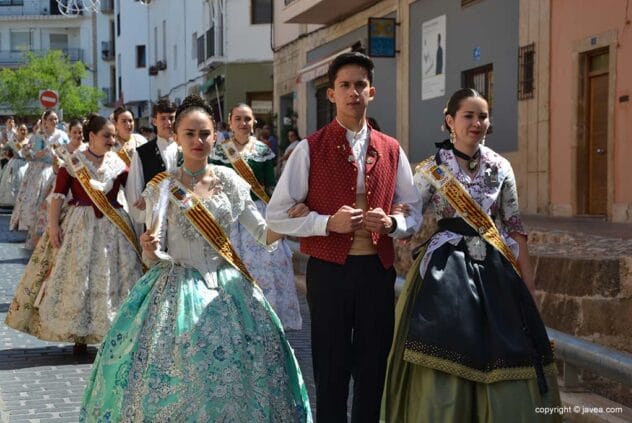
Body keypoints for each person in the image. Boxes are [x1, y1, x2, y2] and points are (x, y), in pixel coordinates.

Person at [80, 95, 312, 421]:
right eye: (189, 133)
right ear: (176, 136)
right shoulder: (163, 186)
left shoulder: (230, 181)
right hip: (175, 288)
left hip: (229, 288)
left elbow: (263, 234)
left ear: (215, 136)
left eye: (204, 134)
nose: (198, 141)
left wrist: (292, 219)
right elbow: (152, 255)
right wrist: (149, 246)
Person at [382, 88, 561, 422]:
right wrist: (394, 221)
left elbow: (514, 227)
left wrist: (529, 286)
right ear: (450, 120)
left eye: (483, 116)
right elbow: (410, 215)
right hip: (446, 269)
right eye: (469, 116)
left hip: (496, 266)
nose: (477, 123)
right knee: (446, 340)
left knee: (506, 345)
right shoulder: (431, 169)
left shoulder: (501, 166)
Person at [267, 51, 422, 422]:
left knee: (373, 367)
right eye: (345, 85)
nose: (353, 92)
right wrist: (325, 223)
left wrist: (392, 224)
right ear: (331, 94)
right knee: (331, 368)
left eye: (360, 85)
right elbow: (276, 216)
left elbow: (413, 209)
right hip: (329, 273)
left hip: (376, 272)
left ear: (372, 91)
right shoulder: (309, 148)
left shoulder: (392, 149)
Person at [5, 114, 143, 355]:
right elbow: (58, 196)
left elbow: (133, 192)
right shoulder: (73, 162)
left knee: (114, 276)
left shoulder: (118, 162)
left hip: (114, 227)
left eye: (113, 136)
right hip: (80, 226)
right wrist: (53, 227)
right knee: (79, 277)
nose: (112, 140)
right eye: (107, 136)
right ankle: (80, 335)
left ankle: (113, 330)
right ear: (92, 136)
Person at [211, 104, 303, 331]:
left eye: (247, 119)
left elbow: (271, 187)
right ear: (230, 122)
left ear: (254, 123)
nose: (243, 123)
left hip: (258, 213)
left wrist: (279, 217)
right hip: (229, 216)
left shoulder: (263, 151)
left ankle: (267, 320)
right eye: (238, 119)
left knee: (267, 268)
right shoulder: (219, 152)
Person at [24, 119, 86, 250]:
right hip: (62, 187)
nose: (77, 135)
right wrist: (56, 164)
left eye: (80, 132)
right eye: (74, 132)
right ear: (69, 133)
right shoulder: (61, 150)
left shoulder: (86, 149)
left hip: (81, 188)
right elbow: (55, 170)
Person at [10, 110, 69, 232]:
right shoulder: (38, 136)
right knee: (37, 197)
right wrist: (40, 152)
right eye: (51, 119)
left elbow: (68, 152)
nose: (54, 121)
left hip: (57, 169)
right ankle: (34, 225)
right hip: (39, 170)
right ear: (45, 121)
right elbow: (31, 155)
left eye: (56, 119)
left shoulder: (62, 135)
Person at [125, 98, 178, 229]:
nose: (168, 122)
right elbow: (134, 189)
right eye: (163, 118)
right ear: (154, 121)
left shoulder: (186, 148)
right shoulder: (142, 152)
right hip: (155, 220)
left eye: (171, 118)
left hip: (182, 218)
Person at [0, 124, 29, 207]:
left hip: (26, 165)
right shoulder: (13, 141)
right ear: (17, 131)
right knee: (11, 182)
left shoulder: (29, 141)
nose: (23, 131)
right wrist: (7, 156)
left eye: (25, 129)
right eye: (21, 129)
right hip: (14, 165)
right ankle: (11, 202)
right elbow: (3, 150)